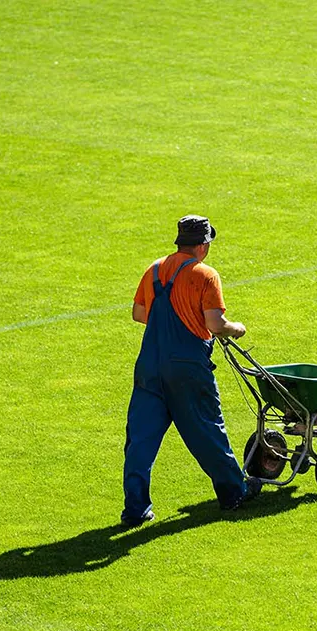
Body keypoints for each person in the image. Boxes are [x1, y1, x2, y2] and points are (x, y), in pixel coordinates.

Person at [121, 214, 260, 526]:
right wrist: (236, 328)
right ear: (204, 245)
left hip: (149, 366)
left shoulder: (155, 269)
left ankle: (135, 509)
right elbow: (215, 325)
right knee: (208, 430)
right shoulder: (205, 275)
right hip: (187, 368)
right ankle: (234, 492)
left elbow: (139, 313)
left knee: (140, 441)